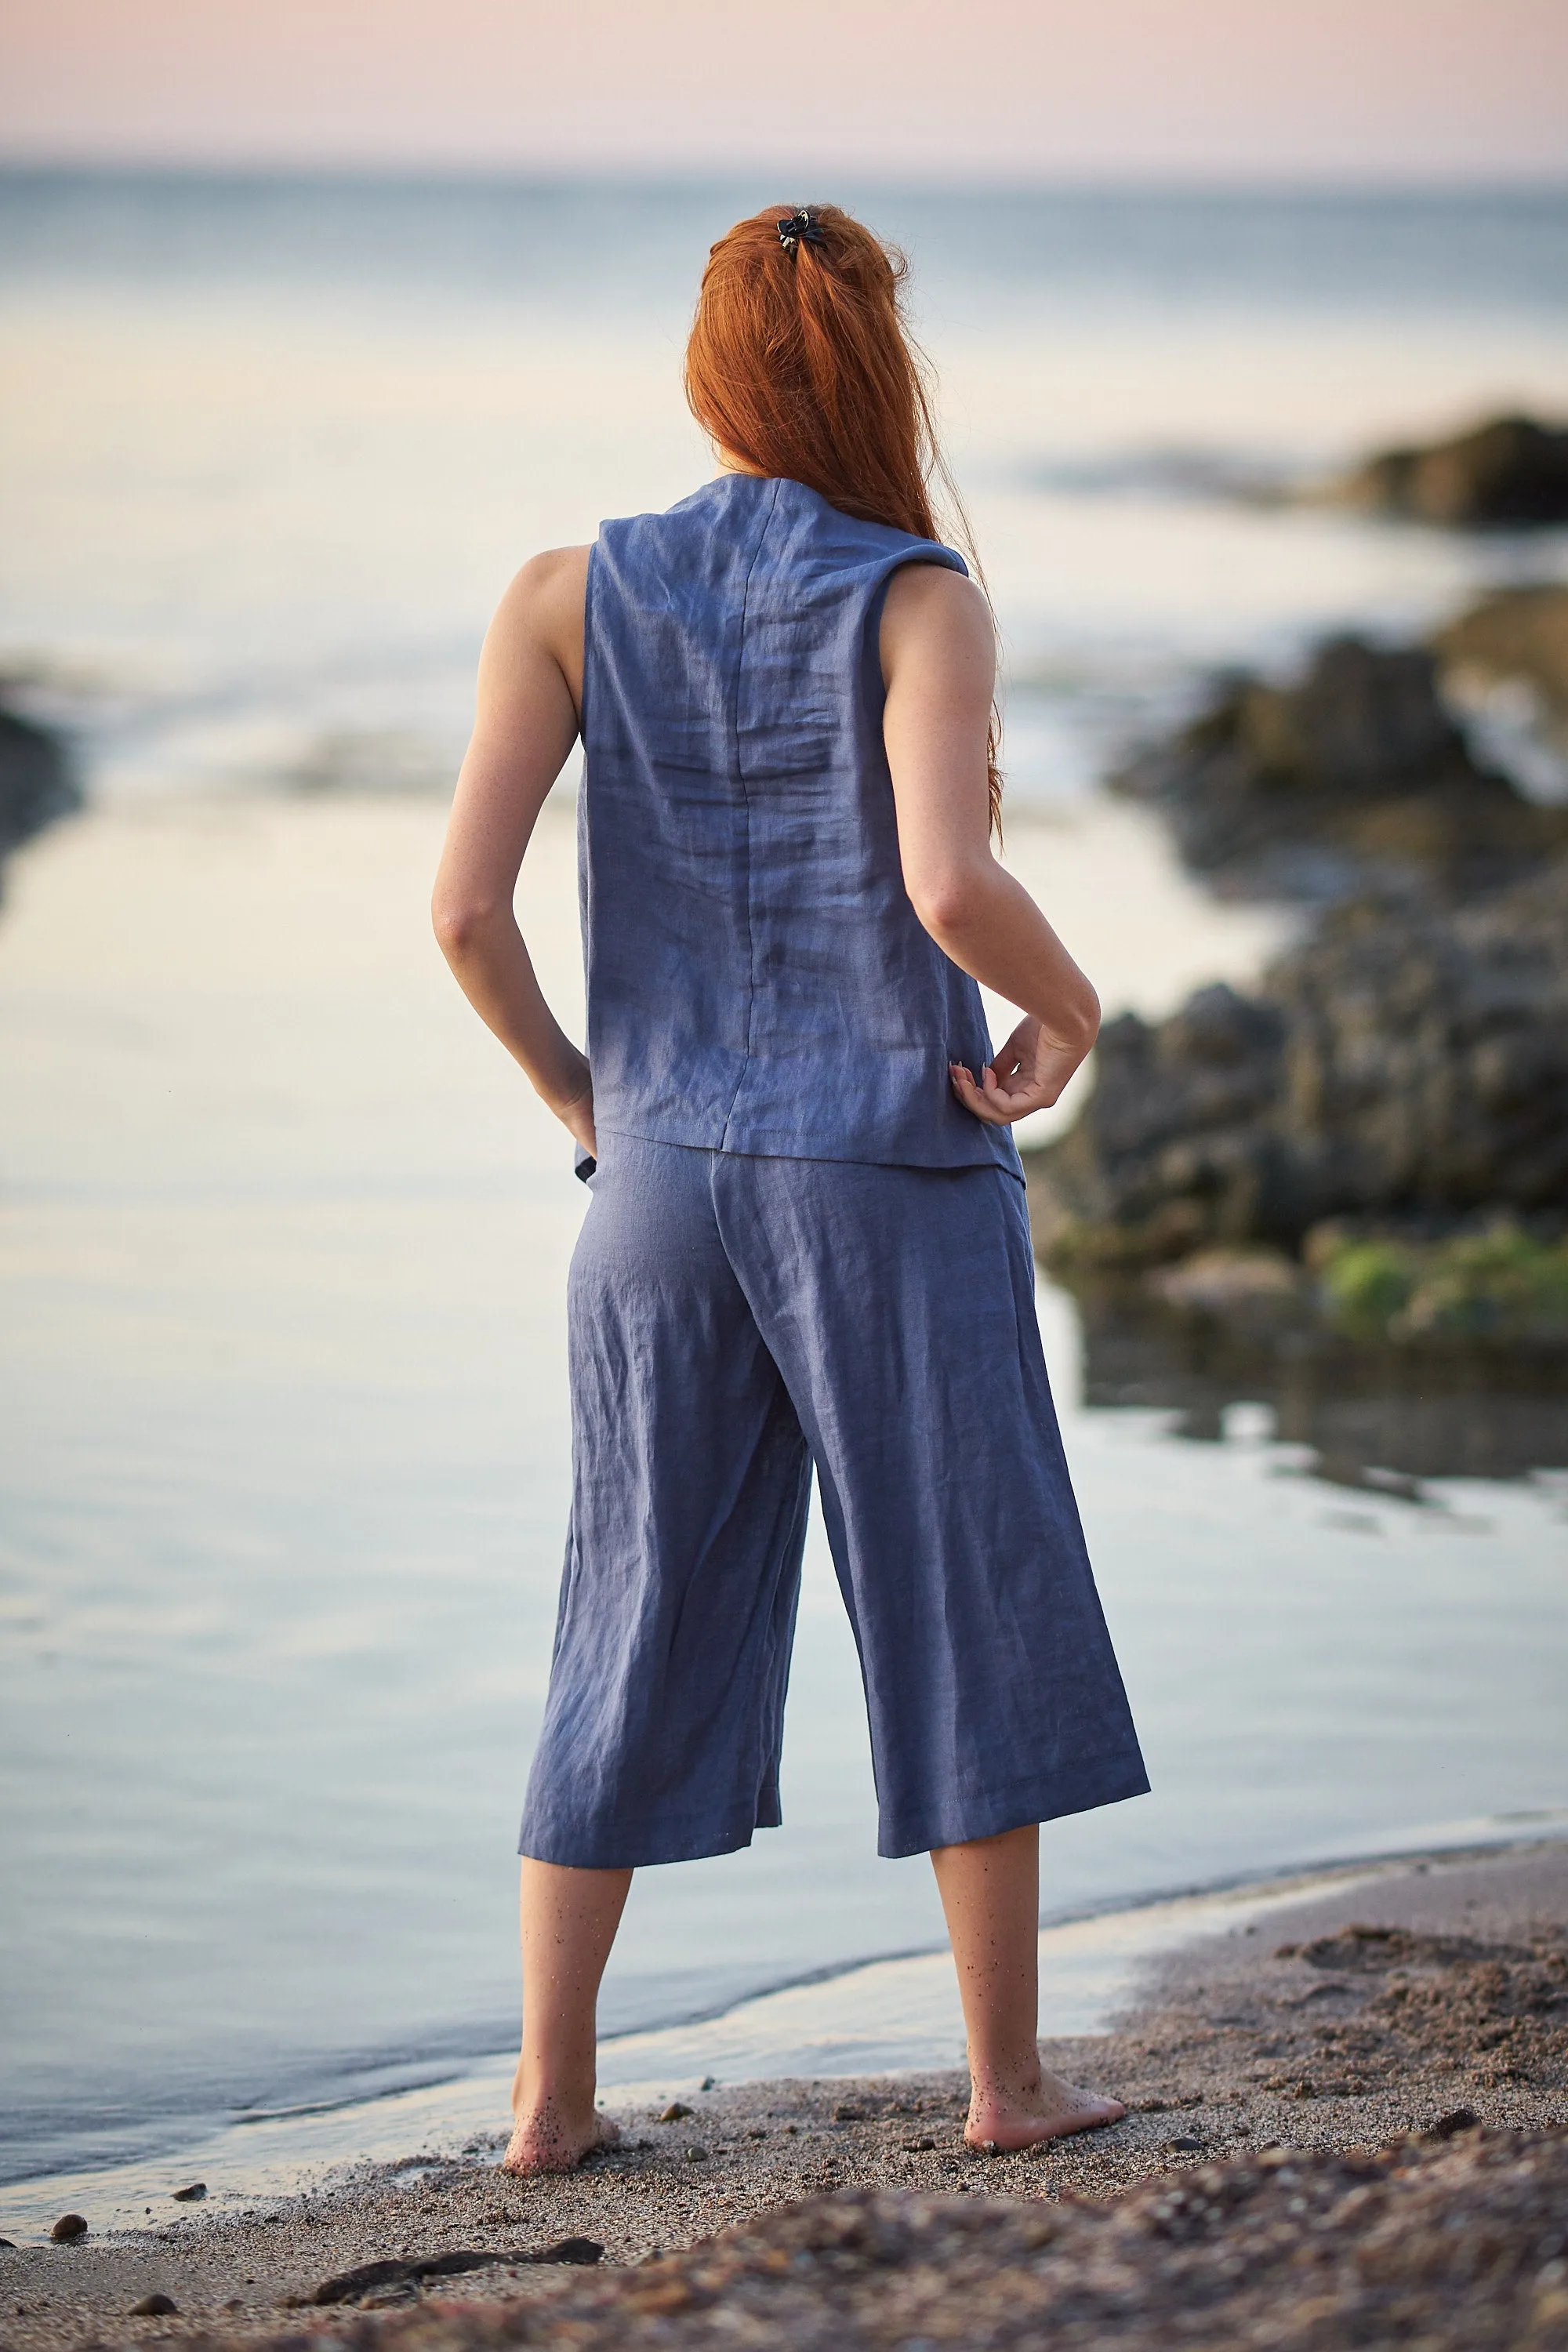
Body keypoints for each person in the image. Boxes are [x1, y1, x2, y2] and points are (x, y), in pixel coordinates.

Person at [432, 201, 1149, 2180]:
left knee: (626, 1612)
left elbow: (465, 916)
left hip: (654, 1188)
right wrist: (1071, 1009)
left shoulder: (566, 590)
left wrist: (604, 1108)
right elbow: (946, 891)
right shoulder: (922, 598)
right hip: (889, 1171)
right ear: (873, 373)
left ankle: (549, 2101)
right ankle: (1003, 2086)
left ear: (713, 367)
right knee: (957, 1600)